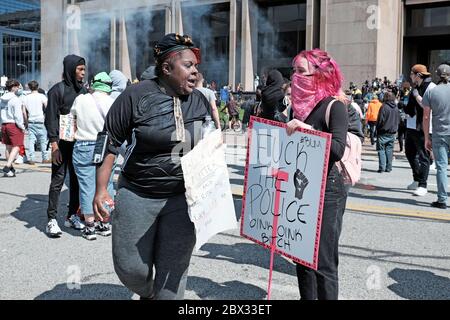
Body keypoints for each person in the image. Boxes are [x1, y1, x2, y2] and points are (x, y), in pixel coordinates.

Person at [93, 33, 210, 300]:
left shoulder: (199, 100)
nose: (195, 72)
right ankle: (147, 293)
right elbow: (109, 142)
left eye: (196, 66)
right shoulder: (134, 96)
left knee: (174, 273)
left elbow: (205, 145)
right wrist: (101, 190)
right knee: (131, 269)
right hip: (137, 195)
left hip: (182, 200)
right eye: (188, 65)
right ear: (167, 68)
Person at [287, 49, 348, 300]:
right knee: (302, 257)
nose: (295, 77)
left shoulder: (334, 106)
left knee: (323, 260)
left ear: (319, 75)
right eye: (294, 71)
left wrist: (307, 129)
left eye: (301, 71)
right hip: (303, 186)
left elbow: (337, 149)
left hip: (327, 190)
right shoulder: (297, 108)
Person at [44, 54, 87, 237]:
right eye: (80, 69)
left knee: (76, 182)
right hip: (61, 144)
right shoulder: (57, 90)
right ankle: (51, 220)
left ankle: (72, 216)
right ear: (71, 69)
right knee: (58, 181)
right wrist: (54, 145)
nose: (83, 73)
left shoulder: (83, 91)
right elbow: (50, 119)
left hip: (78, 144)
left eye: (84, 69)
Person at [71, 72, 115, 240]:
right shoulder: (112, 102)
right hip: (105, 145)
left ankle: (89, 226)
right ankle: (104, 223)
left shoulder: (81, 99)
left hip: (83, 144)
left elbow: (72, 118)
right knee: (106, 184)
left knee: (86, 185)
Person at [404, 64, 435, 196]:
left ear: (418, 75)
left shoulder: (431, 87)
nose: (410, 76)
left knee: (423, 156)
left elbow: (427, 106)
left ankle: (423, 185)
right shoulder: (416, 87)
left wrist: (416, 96)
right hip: (412, 125)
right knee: (409, 153)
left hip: (424, 126)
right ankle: (416, 179)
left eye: (412, 74)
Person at [422, 64, 450, 209]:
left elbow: (426, 117)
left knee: (442, 167)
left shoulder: (431, 91)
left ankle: (442, 200)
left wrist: (427, 138)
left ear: (437, 75)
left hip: (440, 134)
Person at [1, 79, 25, 177]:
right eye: (18, 87)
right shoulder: (15, 99)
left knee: (8, 146)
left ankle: (10, 169)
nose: (19, 88)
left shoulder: (1, 99)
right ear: (14, 87)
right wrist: (22, 126)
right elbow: (18, 116)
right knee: (17, 146)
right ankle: (7, 166)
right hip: (13, 125)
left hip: (4, 124)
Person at [22, 80, 50, 165]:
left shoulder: (26, 97)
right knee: (43, 140)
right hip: (40, 120)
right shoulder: (42, 96)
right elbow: (47, 107)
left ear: (29, 88)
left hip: (31, 121)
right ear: (37, 87)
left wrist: (26, 121)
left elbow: (23, 111)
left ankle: (32, 158)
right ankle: (44, 158)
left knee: (31, 141)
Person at [376, 92, 400, 173]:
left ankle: (382, 167)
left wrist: (378, 129)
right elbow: (398, 120)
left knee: (381, 150)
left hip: (383, 131)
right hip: (392, 132)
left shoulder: (384, 107)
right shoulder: (396, 108)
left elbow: (380, 120)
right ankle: (388, 167)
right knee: (389, 150)